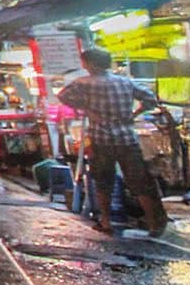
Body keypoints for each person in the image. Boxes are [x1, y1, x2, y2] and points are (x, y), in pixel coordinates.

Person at [57, 46, 168, 235]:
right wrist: (135, 113)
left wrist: (86, 108)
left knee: (103, 181)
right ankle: (153, 224)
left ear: (90, 63)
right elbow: (150, 99)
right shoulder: (125, 82)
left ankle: (106, 221)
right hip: (126, 138)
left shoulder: (84, 83)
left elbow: (62, 96)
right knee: (140, 182)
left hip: (101, 139)